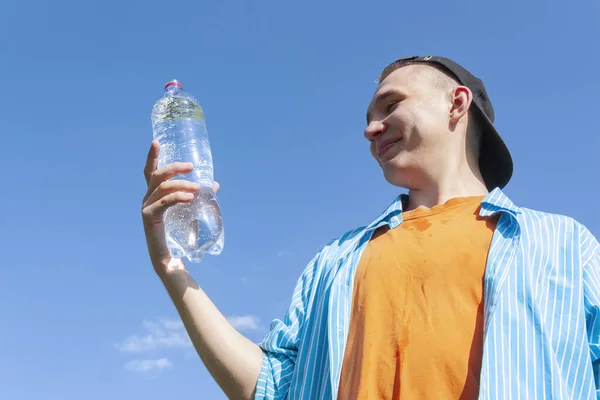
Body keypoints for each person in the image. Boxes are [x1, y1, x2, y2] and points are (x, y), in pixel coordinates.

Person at [141, 56, 600, 399]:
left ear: (456, 104)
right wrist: (170, 267)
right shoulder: (336, 261)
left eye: (390, 105)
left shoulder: (562, 245)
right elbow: (271, 389)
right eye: (367, 119)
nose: (371, 129)